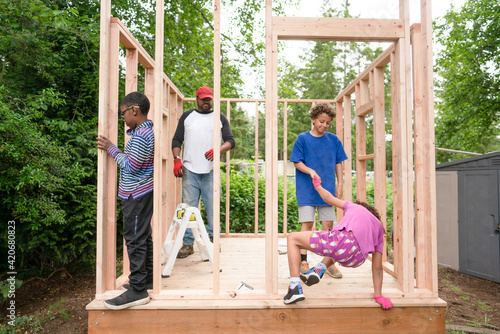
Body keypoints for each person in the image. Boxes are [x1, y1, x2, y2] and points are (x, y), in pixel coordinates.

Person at [283, 176, 393, 310]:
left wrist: (317, 185)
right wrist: (378, 296)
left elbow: (328, 198)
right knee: (338, 248)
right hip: (355, 259)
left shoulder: (355, 206)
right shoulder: (379, 230)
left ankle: (294, 287)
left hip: (342, 243)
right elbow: (377, 268)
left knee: (293, 238)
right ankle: (319, 269)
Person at [97, 92, 154, 310]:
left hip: (137, 195)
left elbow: (131, 166)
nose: (123, 118)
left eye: (124, 113)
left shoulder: (141, 136)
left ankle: (138, 290)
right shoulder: (142, 132)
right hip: (139, 194)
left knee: (135, 239)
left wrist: (111, 148)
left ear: (134, 110)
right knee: (142, 236)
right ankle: (146, 280)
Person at [171, 86, 235, 258]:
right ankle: (187, 244)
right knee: (189, 209)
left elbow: (230, 141)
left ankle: (212, 242)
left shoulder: (219, 118)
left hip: (211, 171)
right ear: (197, 99)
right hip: (189, 170)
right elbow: (177, 140)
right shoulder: (187, 117)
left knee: (213, 209)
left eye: (209, 99)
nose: (206, 102)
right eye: (203, 99)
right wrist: (176, 159)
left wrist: (218, 149)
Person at [289, 103, 348, 278]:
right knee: (307, 226)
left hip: (327, 191)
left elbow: (339, 162)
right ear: (313, 120)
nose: (324, 125)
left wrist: (340, 183)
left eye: (328, 123)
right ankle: (303, 262)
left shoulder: (333, 140)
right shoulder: (302, 138)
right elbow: (297, 162)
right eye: (321, 121)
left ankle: (327, 263)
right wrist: (311, 171)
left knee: (328, 226)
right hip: (307, 190)